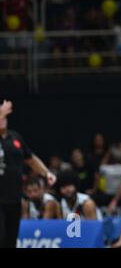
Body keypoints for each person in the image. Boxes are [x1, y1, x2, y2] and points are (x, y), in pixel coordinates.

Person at [0, 100, 57, 248]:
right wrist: (2, 111)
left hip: (14, 199)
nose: (2, 120)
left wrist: (46, 173)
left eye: (5, 117)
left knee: (10, 241)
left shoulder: (15, 137)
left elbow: (31, 160)